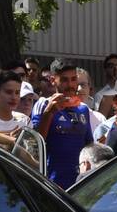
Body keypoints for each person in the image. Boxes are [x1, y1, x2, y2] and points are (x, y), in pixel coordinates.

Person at [32, 58, 94, 188]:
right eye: (64, 80)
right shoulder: (43, 105)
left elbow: (89, 146)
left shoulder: (83, 109)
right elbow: (35, 144)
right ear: (53, 80)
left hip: (80, 184)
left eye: (73, 79)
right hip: (52, 184)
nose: (71, 85)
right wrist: (49, 113)